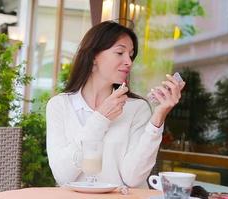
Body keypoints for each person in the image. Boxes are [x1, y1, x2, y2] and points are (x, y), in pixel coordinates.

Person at [46, 20, 185, 188]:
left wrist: (159, 116)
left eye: (131, 55)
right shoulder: (59, 105)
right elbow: (62, 175)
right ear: (93, 57)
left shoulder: (136, 108)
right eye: (120, 53)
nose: (129, 61)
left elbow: (133, 179)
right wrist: (100, 119)